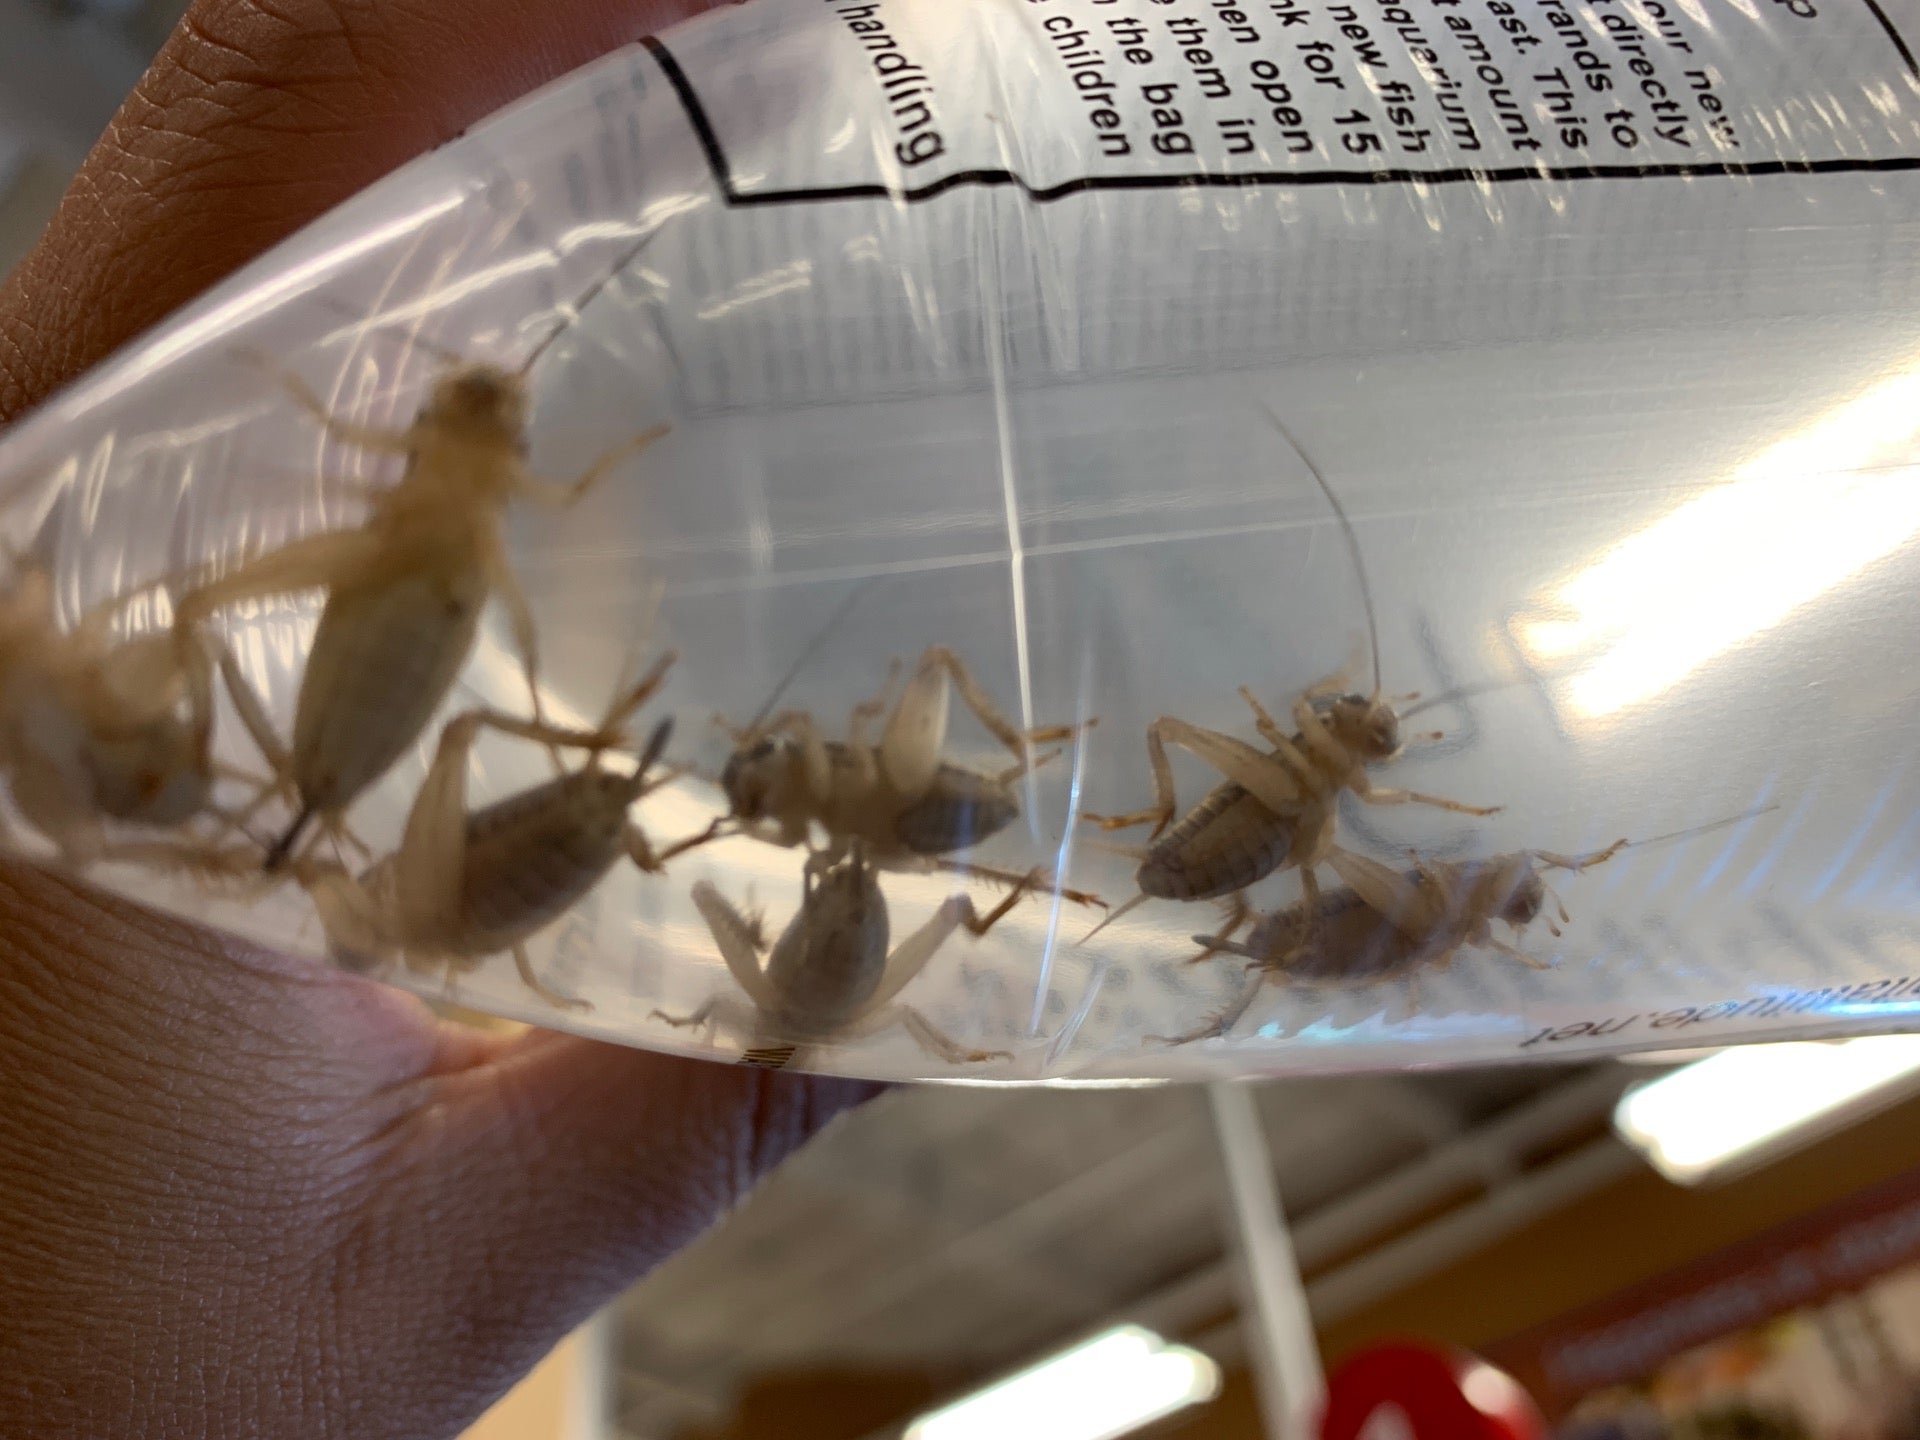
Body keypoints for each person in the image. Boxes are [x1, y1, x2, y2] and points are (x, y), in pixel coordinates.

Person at [0, 3, 874, 1436]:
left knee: (273, 651)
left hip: (386, 632)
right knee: (251, 636)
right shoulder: (485, 504)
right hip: (403, 638)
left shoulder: (436, 480)